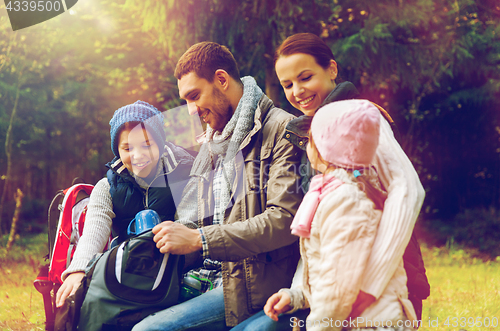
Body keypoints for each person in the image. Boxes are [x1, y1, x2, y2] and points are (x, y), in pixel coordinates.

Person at [231, 33, 428, 330]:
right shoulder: (313, 135)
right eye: (287, 84)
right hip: (341, 295)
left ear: (332, 70)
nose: (297, 91)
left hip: (383, 296)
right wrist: (297, 291)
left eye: (305, 77)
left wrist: (370, 285)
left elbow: (407, 191)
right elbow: (319, 235)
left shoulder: (362, 121)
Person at [131, 42, 303, 331]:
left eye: (194, 96)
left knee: (148, 330)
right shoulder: (213, 142)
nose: (190, 111)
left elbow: (283, 221)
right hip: (207, 275)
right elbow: (192, 220)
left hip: (249, 284)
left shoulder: (283, 131)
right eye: (185, 100)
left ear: (222, 80)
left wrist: (200, 239)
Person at [265, 99, 418, 331]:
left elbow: (337, 288)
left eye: (311, 139)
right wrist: (296, 296)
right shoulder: (333, 193)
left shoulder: (346, 201)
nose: (306, 145)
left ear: (326, 148)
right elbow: (329, 267)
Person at [55, 100, 194, 308]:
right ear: (117, 150)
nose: (138, 155)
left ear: (160, 144)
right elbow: (94, 230)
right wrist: (78, 269)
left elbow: (190, 226)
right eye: (127, 148)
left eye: (147, 144)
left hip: (176, 270)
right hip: (127, 273)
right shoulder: (107, 187)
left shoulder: (184, 174)